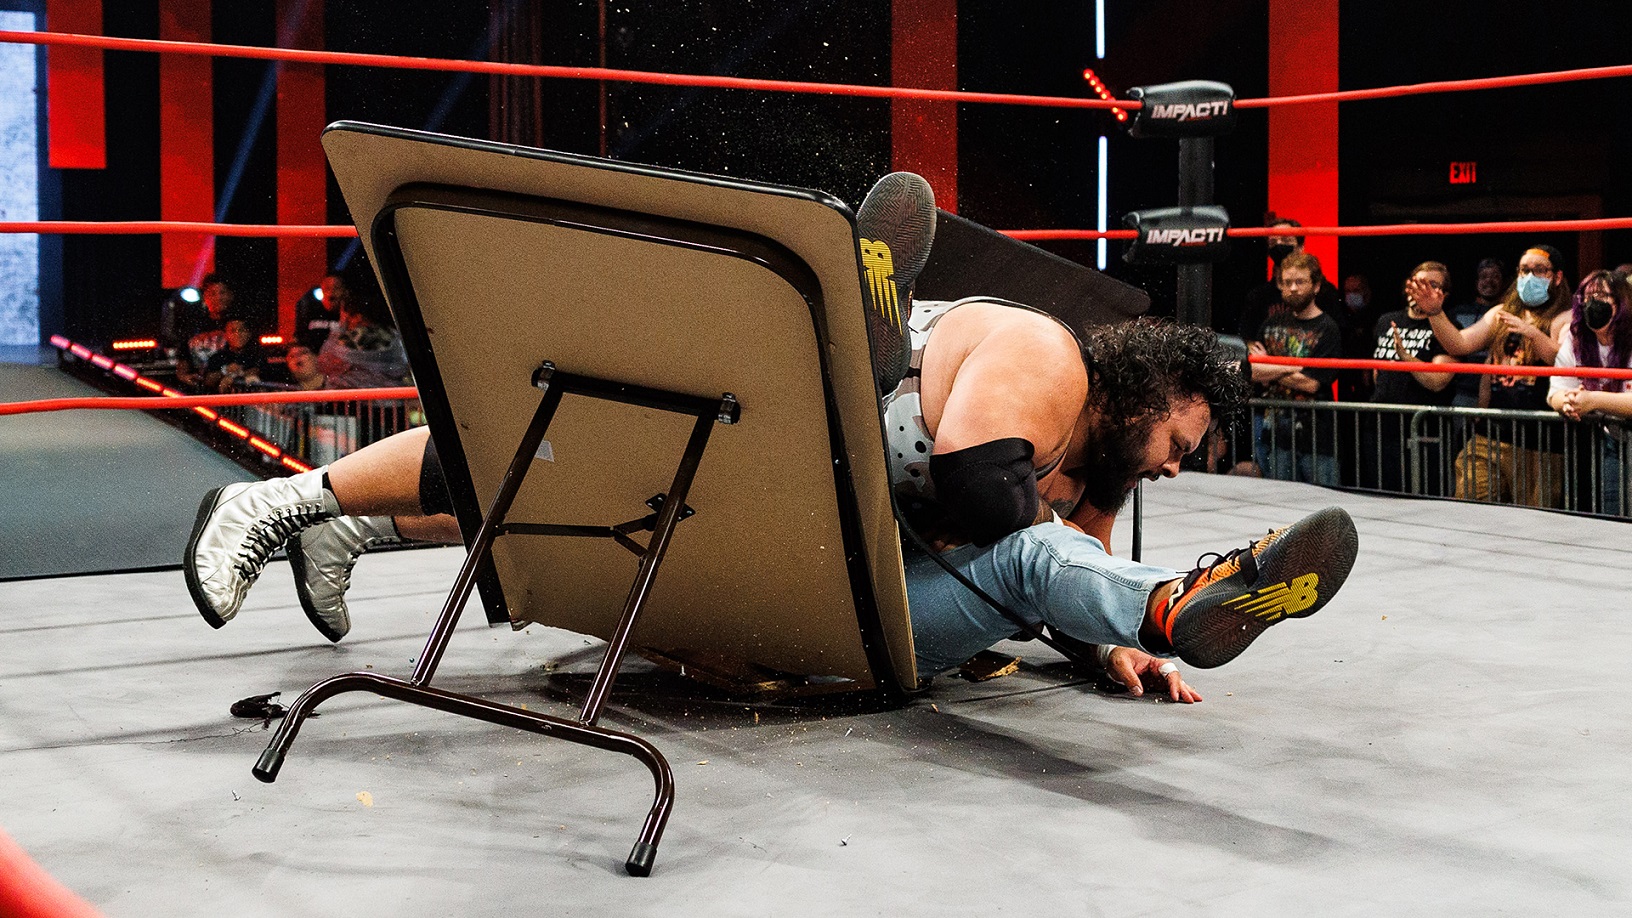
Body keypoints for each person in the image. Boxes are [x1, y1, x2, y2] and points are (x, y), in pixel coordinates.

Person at [183, 173, 1360, 702]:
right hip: (807, 506)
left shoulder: (1094, 466)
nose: (1180, 464)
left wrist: (1114, 643)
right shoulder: (1045, 360)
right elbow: (980, 498)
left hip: (851, 596)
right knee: (564, 453)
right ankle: (292, 504)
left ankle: (1175, 608)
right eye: (1187, 439)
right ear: (1158, 384)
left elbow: (1052, 572)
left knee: (1034, 560)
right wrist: (1054, 572)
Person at [1429, 245, 1572, 508]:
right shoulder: (1501, 313)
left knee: (1534, 520)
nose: (1530, 277)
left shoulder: (1565, 318)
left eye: (1539, 270)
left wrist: (1532, 333)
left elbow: (1564, 361)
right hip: (1491, 434)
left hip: (1540, 441)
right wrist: (1435, 313)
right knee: (1471, 504)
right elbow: (1459, 344)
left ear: (1557, 277)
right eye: (1524, 270)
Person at [1363, 262, 1460, 494]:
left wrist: (1405, 357)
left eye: (1432, 285)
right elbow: (1377, 374)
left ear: (1444, 295)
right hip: (1382, 426)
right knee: (1380, 496)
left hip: (1425, 431)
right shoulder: (1387, 321)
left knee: (1424, 499)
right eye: (1419, 283)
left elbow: (1438, 382)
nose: (1423, 290)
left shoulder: (1448, 328)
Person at [1248, 250, 1342, 485]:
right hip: (1275, 432)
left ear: (1316, 286)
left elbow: (1311, 383)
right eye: (1287, 282)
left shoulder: (1328, 328)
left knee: (1322, 499)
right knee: (1278, 498)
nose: (1292, 288)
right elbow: (1253, 371)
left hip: (1316, 435)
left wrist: (1270, 366)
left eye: (1300, 282)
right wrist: (1291, 368)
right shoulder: (1271, 324)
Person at [1547, 270, 1632, 515]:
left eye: (1602, 296)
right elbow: (1556, 392)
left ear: (1622, 301)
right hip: (1612, 442)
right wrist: (1569, 402)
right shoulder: (1576, 339)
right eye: (1587, 298)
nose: (1593, 304)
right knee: (1611, 515)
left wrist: (1592, 400)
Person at [315, 295, 410, 389]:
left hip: (362, 395)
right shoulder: (393, 334)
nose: (343, 319)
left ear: (357, 316)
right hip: (393, 393)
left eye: (344, 314)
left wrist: (339, 330)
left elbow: (325, 362)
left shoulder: (355, 337)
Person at [1446, 258, 1504, 408]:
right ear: (1476, 282)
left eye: (1495, 276)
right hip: (1462, 393)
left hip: (1498, 394)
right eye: (1484, 276)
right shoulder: (1457, 313)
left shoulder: (1509, 314)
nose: (1489, 281)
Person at [174, 274, 239, 389]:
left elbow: (250, 360)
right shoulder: (194, 325)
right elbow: (184, 357)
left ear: (231, 295)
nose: (218, 298)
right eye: (212, 294)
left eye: (222, 293)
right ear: (205, 297)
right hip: (198, 389)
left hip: (230, 389)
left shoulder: (240, 324)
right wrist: (183, 376)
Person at [200, 318, 268, 393]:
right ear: (226, 335)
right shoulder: (217, 357)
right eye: (232, 331)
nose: (237, 334)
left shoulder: (257, 354)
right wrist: (225, 371)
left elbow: (257, 371)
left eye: (241, 330)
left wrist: (233, 377)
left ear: (248, 334)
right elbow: (208, 381)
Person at [294, 273, 347, 352]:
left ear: (344, 292)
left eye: (336, 288)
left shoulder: (349, 315)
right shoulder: (310, 311)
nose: (331, 293)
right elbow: (299, 337)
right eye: (327, 288)